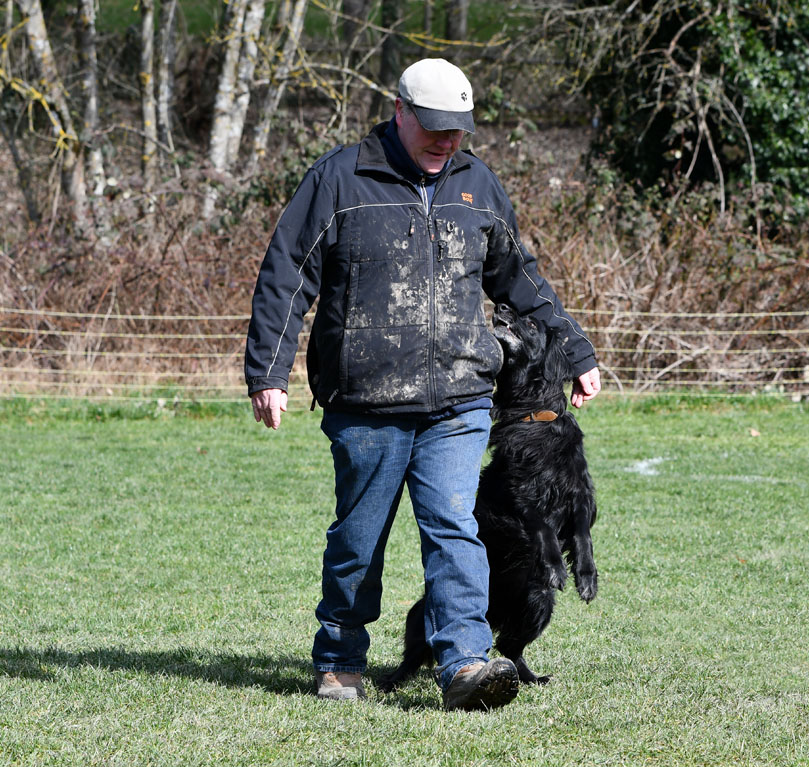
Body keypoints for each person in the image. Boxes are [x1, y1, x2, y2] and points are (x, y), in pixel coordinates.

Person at [244, 58, 601, 711]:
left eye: (456, 130)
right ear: (400, 111)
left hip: (460, 399)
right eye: (433, 128)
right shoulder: (340, 179)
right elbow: (286, 273)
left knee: (455, 528)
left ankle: (464, 662)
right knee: (359, 536)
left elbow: (519, 278)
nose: (446, 141)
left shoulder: (477, 185)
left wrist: (574, 347)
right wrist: (268, 370)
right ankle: (340, 661)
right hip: (366, 399)